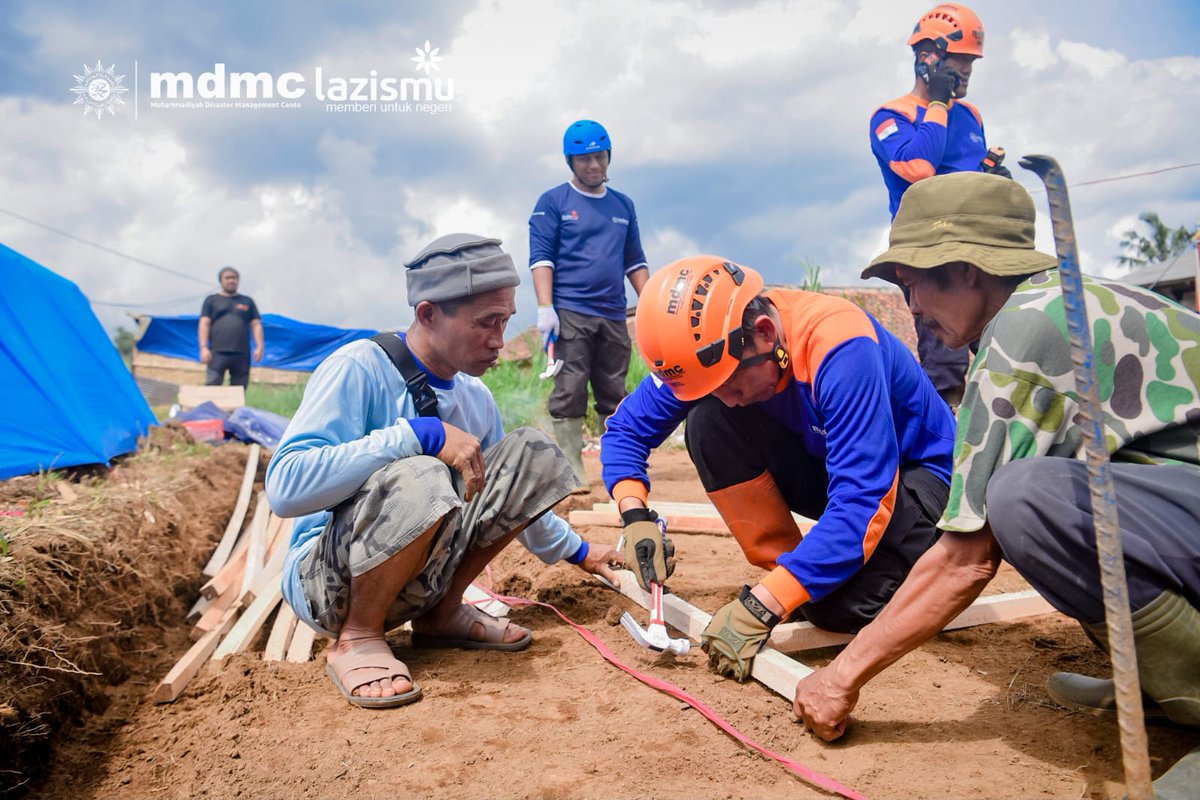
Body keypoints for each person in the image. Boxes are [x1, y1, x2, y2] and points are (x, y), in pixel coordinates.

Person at [793, 172, 1200, 797]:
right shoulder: (1057, 304)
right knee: (1053, 491)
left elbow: (966, 559)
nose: (912, 308)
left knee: (1028, 500)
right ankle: (1157, 681)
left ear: (968, 271)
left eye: (914, 283)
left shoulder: (1026, 332)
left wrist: (840, 677)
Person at [265, 233, 624, 709]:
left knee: (532, 451)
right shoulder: (359, 368)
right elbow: (285, 488)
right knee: (421, 470)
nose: (499, 340)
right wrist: (419, 435)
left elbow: (506, 492)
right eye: (486, 323)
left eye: (505, 321)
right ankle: (359, 637)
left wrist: (582, 552)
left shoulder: (475, 397)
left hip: (425, 578)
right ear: (428, 314)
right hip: (331, 586)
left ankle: (441, 613)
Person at [600, 255, 957, 681]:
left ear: (765, 334)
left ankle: (932, 570)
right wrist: (634, 514)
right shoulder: (707, 350)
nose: (729, 397)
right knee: (708, 420)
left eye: (731, 384)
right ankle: (788, 569)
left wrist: (761, 607)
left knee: (835, 607)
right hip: (836, 466)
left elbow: (862, 501)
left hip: (919, 479)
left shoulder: (841, 347)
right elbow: (626, 432)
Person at [869, 3, 1009, 408]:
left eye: (970, 62)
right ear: (926, 57)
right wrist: (937, 101)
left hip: (975, 245)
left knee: (1001, 341)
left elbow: (966, 173)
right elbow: (919, 167)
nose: (965, 71)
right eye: (957, 60)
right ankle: (941, 453)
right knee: (945, 362)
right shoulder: (890, 116)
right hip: (926, 251)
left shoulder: (972, 114)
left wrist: (992, 182)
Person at [529, 119, 650, 487]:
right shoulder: (554, 202)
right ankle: (571, 473)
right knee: (570, 389)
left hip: (612, 313)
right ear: (571, 162)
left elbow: (636, 262)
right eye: (584, 159)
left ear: (608, 157)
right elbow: (541, 258)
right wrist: (545, 307)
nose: (593, 165)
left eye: (599, 157)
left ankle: (622, 467)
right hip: (570, 312)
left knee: (615, 393)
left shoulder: (622, 206)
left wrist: (655, 305)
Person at [198, 266, 264, 387]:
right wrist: (203, 347)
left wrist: (260, 347)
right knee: (212, 387)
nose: (231, 281)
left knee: (239, 390)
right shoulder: (211, 300)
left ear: (238, 280)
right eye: (227, 278)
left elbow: (256, 324)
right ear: (221, 281)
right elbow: (204, 323)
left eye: (234, 278)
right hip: (216, 353)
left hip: (241, 353)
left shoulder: (247, 301)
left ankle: (236, 407)